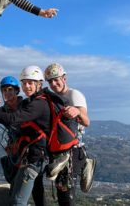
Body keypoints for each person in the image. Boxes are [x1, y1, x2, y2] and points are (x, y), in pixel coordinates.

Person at [0, 66, 50, 206]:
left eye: (10, 90)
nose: (7, 93)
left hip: (32, 153)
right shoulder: (4, 110)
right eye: (4, 90)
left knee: (33, 191)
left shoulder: (26, 105)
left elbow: (12, 119)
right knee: (19, 188)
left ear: (16, 91)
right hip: (19, 154)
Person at [44, 63, 96, 206]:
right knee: (63, 193)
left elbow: (86, 122)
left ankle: (85, 163)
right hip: (60, 149)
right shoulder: (53, 98)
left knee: (66, 194)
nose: (54, 84)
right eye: (50, 81)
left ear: (64, 78)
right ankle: (85, 163)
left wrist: (77, 112)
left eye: (56, 79)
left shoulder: (74, 95)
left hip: (73, 149)